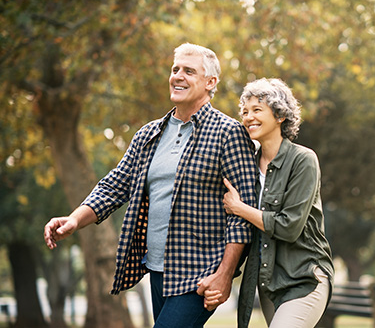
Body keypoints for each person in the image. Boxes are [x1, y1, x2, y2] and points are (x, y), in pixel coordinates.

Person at [44, 43, 257, 327]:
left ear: (210, 83)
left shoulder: (229, 134)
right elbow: (115, 185)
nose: (178, 76)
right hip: (157, 269)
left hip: (200, 274)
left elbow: (244, 213)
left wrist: (225, 274)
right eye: (175, 69)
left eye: (189, 71)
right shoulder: (149, 133)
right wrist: (74, 219)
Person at [213, 78, 334, 327]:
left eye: (257, 110)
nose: (248, 117)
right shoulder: (246, 165)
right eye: (245, 112)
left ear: (279, 115)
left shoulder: (303, 160)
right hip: (268, 281)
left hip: (304, 277)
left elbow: (289, 227)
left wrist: (240, 208)